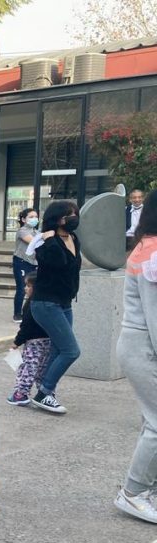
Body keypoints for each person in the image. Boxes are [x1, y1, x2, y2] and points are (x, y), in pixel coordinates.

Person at [114, 190, 157, 524]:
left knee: (152, 421)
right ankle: (133, 492)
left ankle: (147, 488)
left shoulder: (148, 245)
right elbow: (154, 315)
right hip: (144, 344)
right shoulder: (153, 251)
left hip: (142, 344)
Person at [28, 200, 83, 415]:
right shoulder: (45, 243)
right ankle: (44, 393)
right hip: (46, 302)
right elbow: (57, 263)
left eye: (75, 214)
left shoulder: (74, 238)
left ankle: (46, 391)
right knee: (71, 350)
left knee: (59, 349)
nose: (73, 219)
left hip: (64, 302)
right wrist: (49, 239)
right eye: (68, 215)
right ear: (57, 218)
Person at [6, 274, 51, 407]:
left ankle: (21, 393)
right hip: (48, 341)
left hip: (33, 343)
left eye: (28, 286)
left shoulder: (31, 305)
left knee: (28, 367)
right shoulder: (47, 304)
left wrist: (17, 342)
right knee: (43, 369)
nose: (26, 288)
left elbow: (25, 327)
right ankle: (46, 393)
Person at [12, 208, 40, 322]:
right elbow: (34, 242)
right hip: (22, 262)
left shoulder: (37, 232)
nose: (34, 219)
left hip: (34, 263)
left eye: (36, 217)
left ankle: (29, 313)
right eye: (31, 217)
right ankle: (17, 314)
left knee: (34, 288)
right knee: (21, 288)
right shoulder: (22, 231)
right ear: (23, 219)